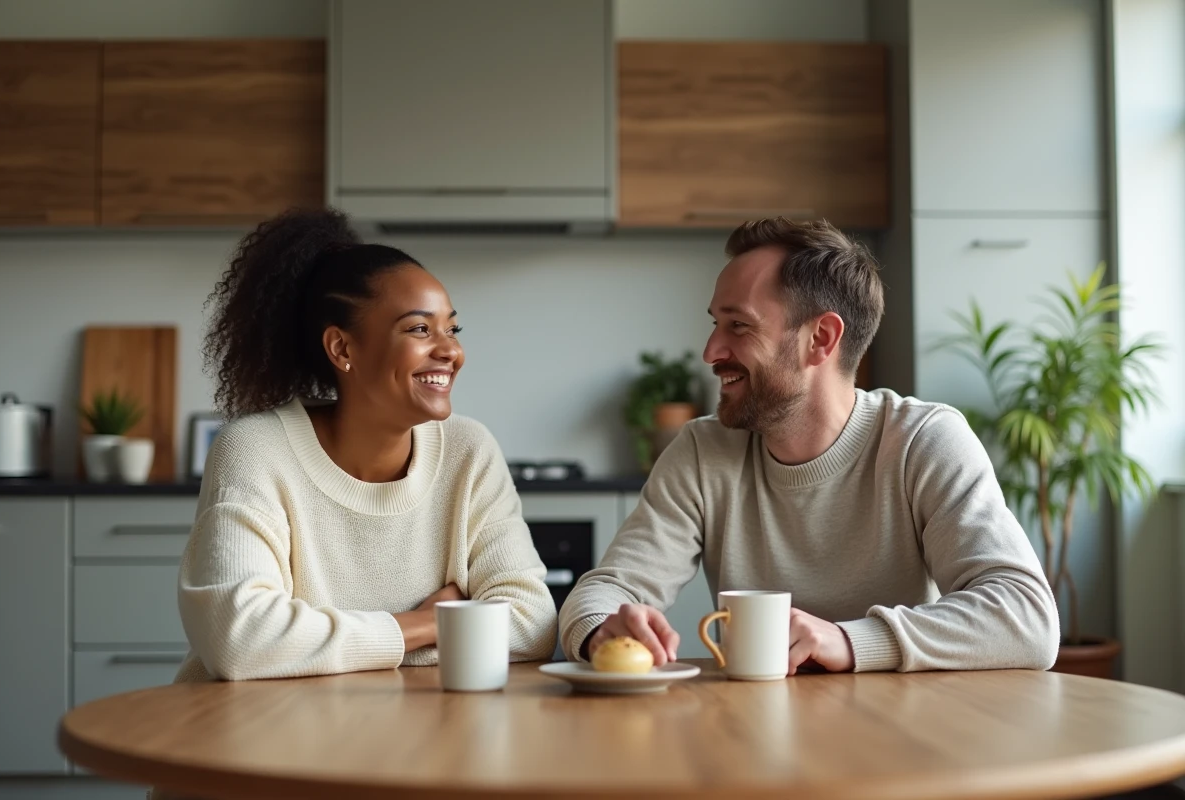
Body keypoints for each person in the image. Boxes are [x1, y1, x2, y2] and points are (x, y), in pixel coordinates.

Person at [559, 217, 1059, 674]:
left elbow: (1025, 617)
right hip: (752, 739)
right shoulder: (702, 452)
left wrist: (849, 640)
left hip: (902, 745)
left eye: (739, 325)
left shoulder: (922, 441)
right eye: (716, 323)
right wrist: (605, 627)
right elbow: (606, 591)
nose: (712, 351)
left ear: (820, 338)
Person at [173, 208, 557, 682]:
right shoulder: (255, 450)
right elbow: (239, 641)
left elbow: (533, 626)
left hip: (416, 733)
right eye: (420, 329)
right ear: (342, 349)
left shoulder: (468, 450)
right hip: (265, 736)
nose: (450, 351)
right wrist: (427, 624)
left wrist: (311, 648)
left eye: (451, 329)